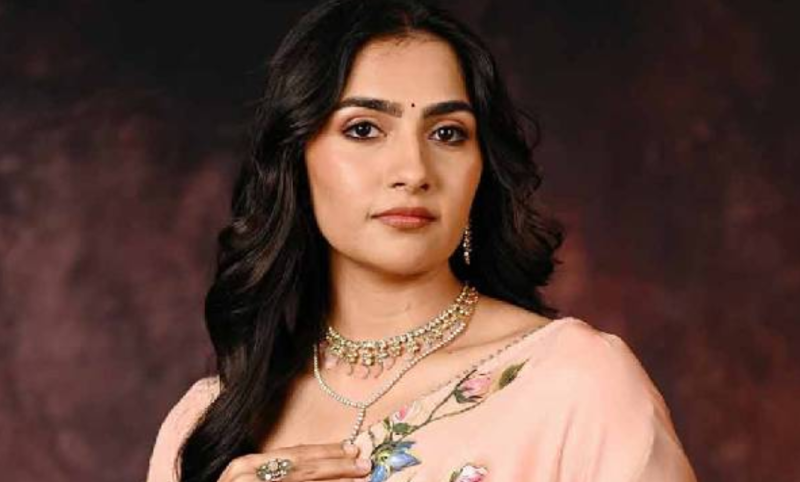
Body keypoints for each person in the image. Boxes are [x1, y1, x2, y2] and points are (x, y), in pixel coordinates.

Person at [146, 0, 698, 481]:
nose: (413, 170)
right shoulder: (205, 426)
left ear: (481, 168)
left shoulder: (575, 384)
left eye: (447, 134)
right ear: (296, 161)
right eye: (364, 129)